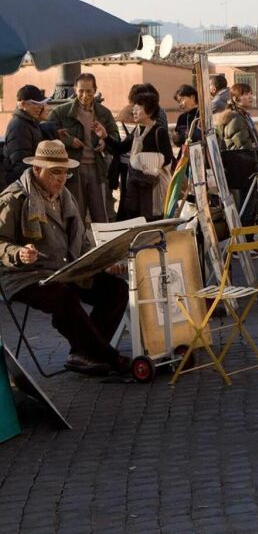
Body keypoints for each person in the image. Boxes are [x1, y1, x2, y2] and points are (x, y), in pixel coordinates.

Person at [0, 141, 130, 376]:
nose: (61, 178)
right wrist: (18, 253)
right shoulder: (14, 199)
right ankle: (110, 358)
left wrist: (102, 264)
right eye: (54, 173)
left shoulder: (65, 196)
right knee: (63, 297)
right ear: (37, 169)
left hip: (66, 269)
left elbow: (81, 241)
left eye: (64, 172)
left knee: (116, 289)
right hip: (25, 276)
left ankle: (83, 354)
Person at [49, 73, 119, 227]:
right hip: (73, 170)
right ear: (75, 89)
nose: (85, 95)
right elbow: (47, 135)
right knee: (75, 214)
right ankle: (78, 248)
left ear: (95, 90)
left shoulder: (104, 113)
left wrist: (104, 141)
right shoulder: (61, 112)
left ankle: (104, 248)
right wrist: (68, 141)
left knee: (101, 214)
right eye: (81, 91)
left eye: (89, 91)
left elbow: (115, 136)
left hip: (98, 169)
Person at [114, 90, 174, 221]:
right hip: (137, 185)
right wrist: (104, 136)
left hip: (154, 186)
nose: (134, 111)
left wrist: (143, 162)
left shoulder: (159, 131)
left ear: (150, 112)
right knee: (137, 219)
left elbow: (167, 158)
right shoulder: (138, 130)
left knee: (153, 219)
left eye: (138, 108)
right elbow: (120, 148)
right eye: (134, 108)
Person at [3, 85, 54, 186]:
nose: (40, 107)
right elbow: (21, 164)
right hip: (24, 185)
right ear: (23, 104)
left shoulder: (30, 123)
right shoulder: (19, 126)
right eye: (36, 103)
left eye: (41, 104)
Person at [214, 83, 258, 150]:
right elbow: (244, 148)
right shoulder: (236, 118)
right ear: (235, 99)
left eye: (251, 93)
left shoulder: (244, 115)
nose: (250, 97)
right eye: (245, 94)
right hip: (240, 158)